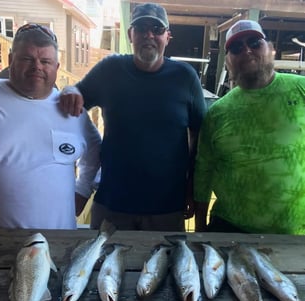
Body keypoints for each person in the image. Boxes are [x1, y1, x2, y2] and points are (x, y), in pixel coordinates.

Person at [60, 2, 207, 231]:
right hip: (112, 204)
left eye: (157, 29)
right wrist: (70, 90)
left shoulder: (185, 77)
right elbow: (77, 99)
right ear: (131, 34)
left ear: (168, 36)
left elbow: (200, 137)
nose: (149, 35)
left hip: (166, 207)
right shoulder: (110, 69)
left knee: (167, 266)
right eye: (141, 28)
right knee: (100, 266)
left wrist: (191, 187)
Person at [0, 23, 101, 229]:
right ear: (11, 61)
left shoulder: (71, 108)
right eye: (27, 59)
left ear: (56, 67)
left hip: (58, 245)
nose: (37, 66)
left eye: (45, 61)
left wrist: (82, 190)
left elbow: (95, 151)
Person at [194, 19, 305, 235]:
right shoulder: (218, 112)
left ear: (270, 49)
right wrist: (199, 232)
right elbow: (203, 174)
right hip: (231, 231)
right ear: (228, 61)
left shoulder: (301, 89)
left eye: (255, 42)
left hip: (296, 236)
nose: (246, 50)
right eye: (236, 48)